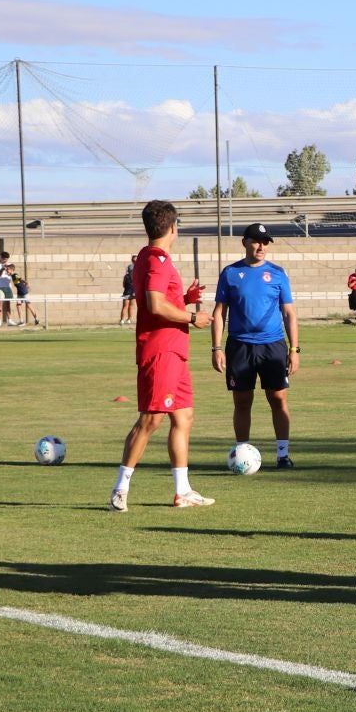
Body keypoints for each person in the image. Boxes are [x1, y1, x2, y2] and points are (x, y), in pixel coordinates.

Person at [110, 199, 216, 512]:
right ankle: (120, 488)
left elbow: (158, 299)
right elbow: (154, 305)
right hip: (161, 350)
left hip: (174, 350)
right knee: (152, 418)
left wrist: (184, 299)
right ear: (173, 227)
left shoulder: (148, 256)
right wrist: (192, 317)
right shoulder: (157, 260)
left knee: (184, 416)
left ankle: (183, 491)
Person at [213, 223, 301, 471]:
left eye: (265, 242)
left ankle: (283, 455)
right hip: (240, 346)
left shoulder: (277, 273)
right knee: (242, 401)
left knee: (278, 398)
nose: (261, 246)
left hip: (272, 345)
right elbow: (219, 312)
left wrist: (294, 350)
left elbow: (289, 313)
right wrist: (216, 348)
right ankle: (242, 453)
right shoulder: (230, 273)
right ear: (245, 243)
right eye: (256, 241)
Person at [0, 251, 15, 326]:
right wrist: (2, 268)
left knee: (8, 304)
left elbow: (12, 272)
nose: (6, 261)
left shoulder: (10, 264)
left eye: (7, 259)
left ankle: (9, 320)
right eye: (4, 259)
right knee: (0, 302)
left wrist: (8, 269)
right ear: (1, 258)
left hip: (8, 286)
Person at [118, 255, 136, 324]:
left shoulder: (126, 276)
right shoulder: (136, 275)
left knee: (126, 306)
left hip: (127, 291)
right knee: (130, 306)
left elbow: (123, 285)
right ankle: (128, 319)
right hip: (133, 292)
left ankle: (123, 320)